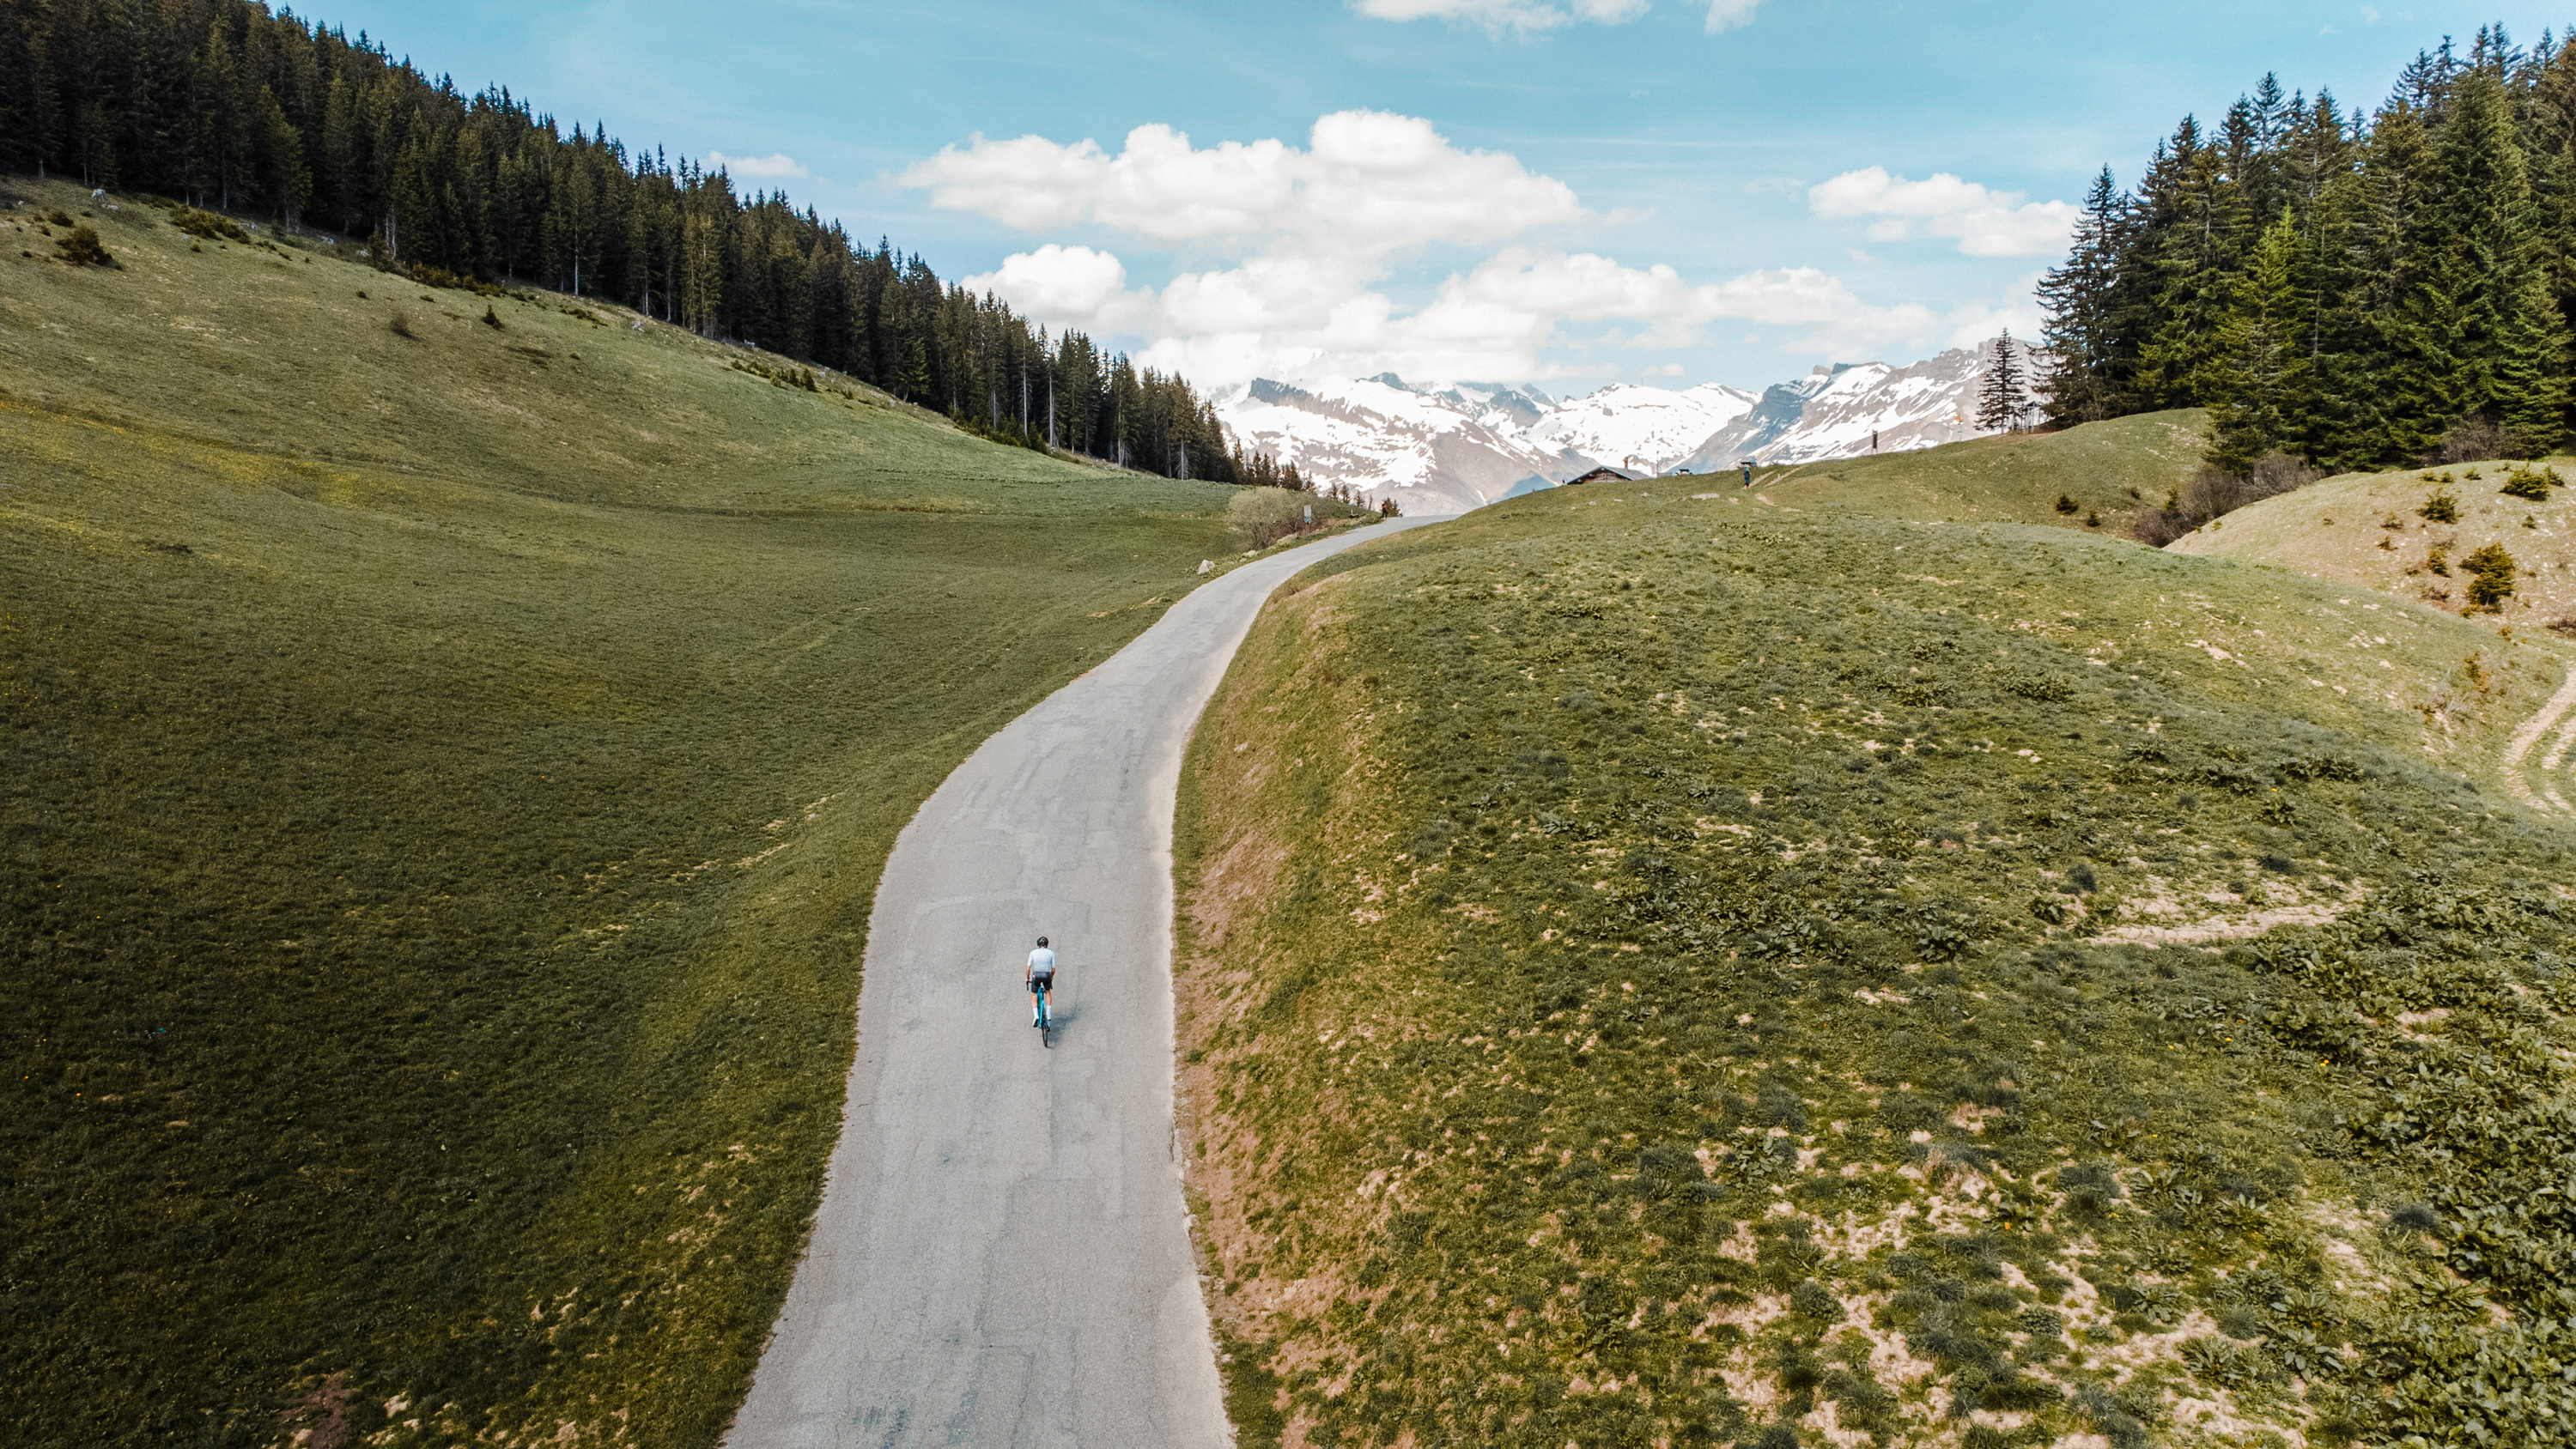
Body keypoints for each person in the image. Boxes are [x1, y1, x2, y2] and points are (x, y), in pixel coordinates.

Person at [1026, 937, 1058, 1027]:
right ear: (1047, 944)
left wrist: (1027, 978)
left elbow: (1028, 968)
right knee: (1048, 992)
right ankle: (1048, 1012)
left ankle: (1036, 1016)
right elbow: (1053, 970)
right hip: (1046, 975)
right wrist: (1051, 977)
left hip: (1036, 975)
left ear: (1038, 945)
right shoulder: (1051, 953)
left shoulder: (1033, 952)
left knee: (1034, 995)